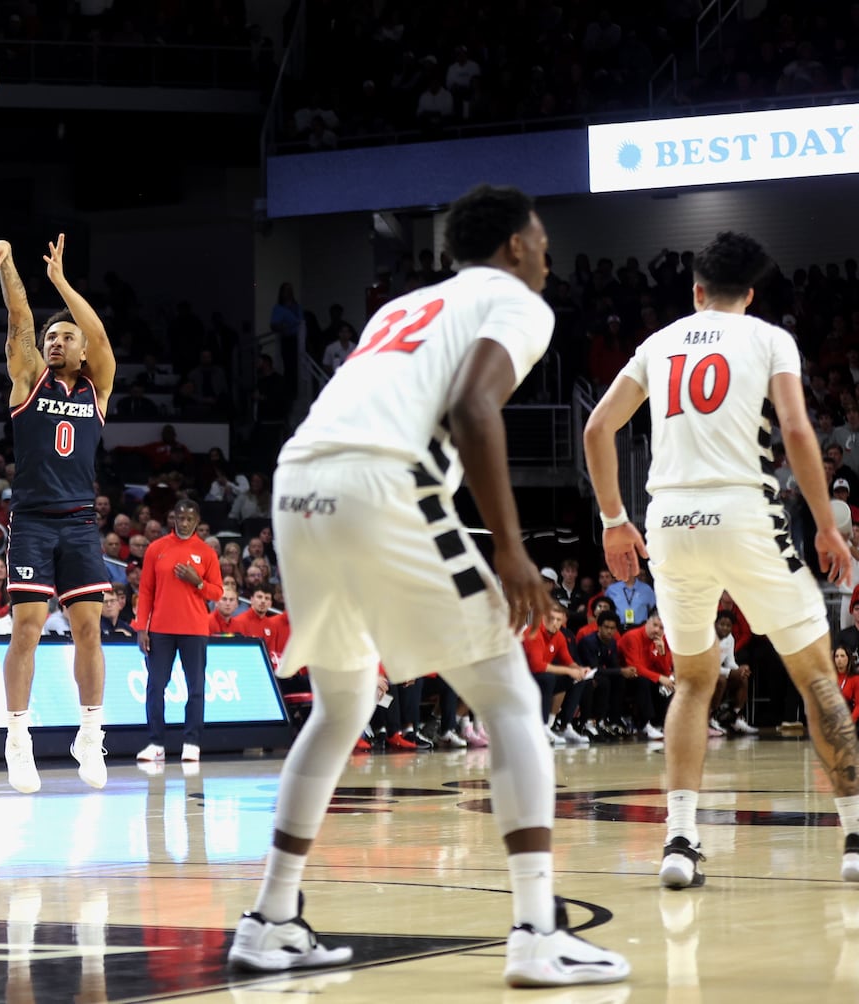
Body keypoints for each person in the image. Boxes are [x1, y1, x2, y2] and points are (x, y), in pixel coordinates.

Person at [228, 185, 629, 987]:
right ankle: (536, 930)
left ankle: (271, 919)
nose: (548, 254)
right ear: (515, 244)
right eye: (542, 238)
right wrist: (510, 552)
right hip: (383, 481)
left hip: (299, 480)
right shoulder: (514, 299)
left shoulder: (400, 307)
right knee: (511, 693)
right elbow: (474, 408)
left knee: (344, 705)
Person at [584, 229, 859, 889]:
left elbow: (598, 428)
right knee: (817, 677)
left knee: (694, 681)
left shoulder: (659, 342)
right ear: (752, 293)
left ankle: (680, 842)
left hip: (670, 520)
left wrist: (613, 521)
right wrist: (826, 523)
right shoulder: (769, 338)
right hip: (742, 512)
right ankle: (855, 837)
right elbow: (796, 429)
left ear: (697, 290)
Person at [0, 232, 117, 794]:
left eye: (65, 337)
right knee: (26, 630)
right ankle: (17, 737)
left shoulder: (97, 388)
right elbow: (18, 320)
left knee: (89, 632)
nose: (55, 342)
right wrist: (9, 262)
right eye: (52, 337)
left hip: (79, 523)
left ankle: (89, 733)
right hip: (31, 521)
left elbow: (99, 335)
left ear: (81, 352)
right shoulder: (29, 380)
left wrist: (61, 282)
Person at [131, 499, 222, 764]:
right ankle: (156, 742)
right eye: (179, 518)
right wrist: (141, 627)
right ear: (173, 518)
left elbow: (217, 591)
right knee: (155, 686)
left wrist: (198, 582)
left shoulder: (206, 553)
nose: (183, 522)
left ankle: (192, 742)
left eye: (189, 519)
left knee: (196, 688)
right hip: (160, 629)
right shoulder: (156, 549)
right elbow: (146, 590)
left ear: (197, 521)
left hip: (194, 628)